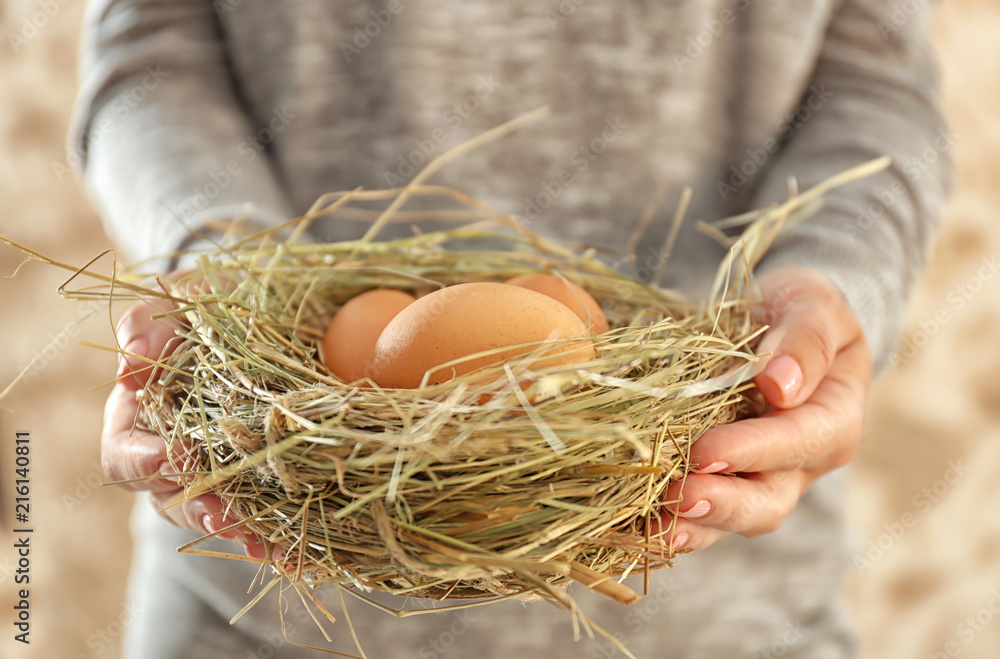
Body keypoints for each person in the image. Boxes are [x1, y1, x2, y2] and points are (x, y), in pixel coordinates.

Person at [71, 0, 951, 657]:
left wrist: (823, 282)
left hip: (720, 599)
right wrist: (227, 270)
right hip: (268, 585)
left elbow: (875, 84)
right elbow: (152, 56)